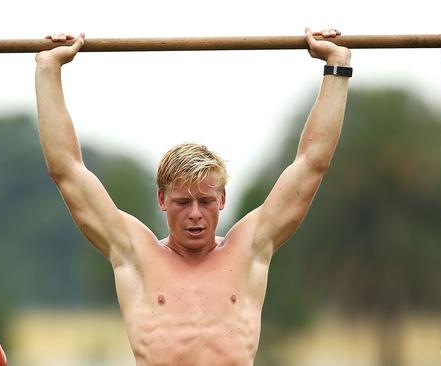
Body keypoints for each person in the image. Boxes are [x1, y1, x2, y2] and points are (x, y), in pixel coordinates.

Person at [35, 27, 351, 366]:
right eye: (183, 203)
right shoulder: (134, 252)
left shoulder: (250, 248)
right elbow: (66, 169)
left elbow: (311, 163)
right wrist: (48, 69)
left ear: (223, 200)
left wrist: (337, 64)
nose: (196, 214)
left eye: (206, 201)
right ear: (162, 200)